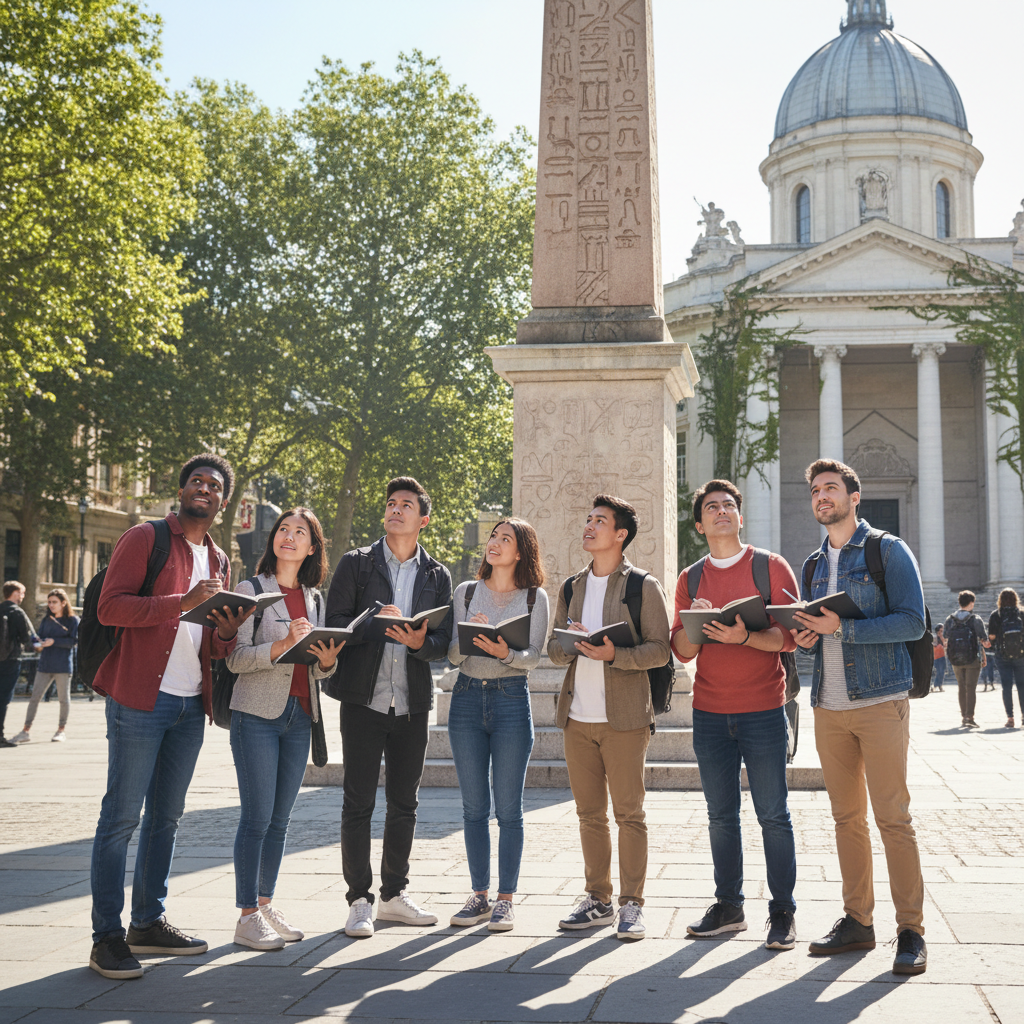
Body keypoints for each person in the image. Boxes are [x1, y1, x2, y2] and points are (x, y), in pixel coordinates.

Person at [88, 454, 252, 981]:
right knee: (120, 819)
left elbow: (216, 647)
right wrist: (181, 602)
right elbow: (110, 608)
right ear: (182, 491)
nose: (204, 489)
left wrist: (227, 630)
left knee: (167, 820)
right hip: (140, 698)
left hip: (190, 704)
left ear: (223, 501)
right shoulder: (145, 538)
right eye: (196, 481)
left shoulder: (221, 560)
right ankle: (106, 938)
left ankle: (148, 922)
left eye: (214, 485)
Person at [791, 459, 928, 975]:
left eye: (831, 488)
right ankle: (857, 921)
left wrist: (840, 629)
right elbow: (816, 631)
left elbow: (913, 622)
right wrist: (806, 635)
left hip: (880, 700)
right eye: (815, 490)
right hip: (829, 704)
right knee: (846, 819)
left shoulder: (888, 550)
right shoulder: (810, 563)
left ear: (854, 495)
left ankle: (911, 930)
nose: (821, 496)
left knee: (893, 818)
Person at [671, 479, 800, 951]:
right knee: (721, 816)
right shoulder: (691, 579)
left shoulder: (770, 567)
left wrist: (743, 637)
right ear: (700, 523)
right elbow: (681, 652)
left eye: (729, 505)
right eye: (711, 507)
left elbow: (788, 639)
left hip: (764, 711)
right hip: (708, 713)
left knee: (773, 815)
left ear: (739, 517)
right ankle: (729, 906)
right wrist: (698, 624)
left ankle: (782, 912)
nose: (721, 511)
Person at [325, 476, 453, 939]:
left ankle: (394, 895)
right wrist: (375, 625)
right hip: (363, 698)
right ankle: (359, 900)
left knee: (405, 803)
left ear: (424, 518)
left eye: (406, 505)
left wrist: (423, 642)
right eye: (390, 503)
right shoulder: (355, 565)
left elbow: (443, 641)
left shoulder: (438, 575)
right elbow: (335, 625)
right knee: (357, 802)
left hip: (412, 704)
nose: (395, 509)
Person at [548, 494, 671, 942]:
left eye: (599, 520)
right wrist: (572, 642)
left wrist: (613, 653)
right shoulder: (571, 587)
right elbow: (553, 650)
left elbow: (660, 649)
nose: (589, 526)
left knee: (629, 814)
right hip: (576, 717)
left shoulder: (642, 586)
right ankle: (597, 898)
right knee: (588, 815)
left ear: (620, 534)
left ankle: (632, 905)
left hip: (625, 719)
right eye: (587, 518)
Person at [226, 507, 343, 949]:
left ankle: (265, 901)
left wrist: (327, 661)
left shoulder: (314, 597)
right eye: (283, 530)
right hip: (256, 715)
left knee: (279, 820)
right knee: (255, 817)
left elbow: (316, 669)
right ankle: (245, 915)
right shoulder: (251, 590)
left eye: (300, 533)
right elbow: (236, 659)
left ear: (312, 547)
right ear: (273, 539)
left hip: (300, 717)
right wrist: (281, 643)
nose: (289, 537)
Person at [446, 519, 549, 933]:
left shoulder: (533, 598)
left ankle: (506, 900)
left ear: (520, 552)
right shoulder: (465, 592)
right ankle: (479, 895)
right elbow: (451, 655)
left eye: (506, 539)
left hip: (510, 700)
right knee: (473, 808)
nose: (495, 543)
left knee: (509, 809)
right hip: (466, 698)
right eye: (493, 536)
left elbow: (533, 657)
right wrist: (470, 638)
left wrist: (506, 652)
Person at [12, 588, 78, 743]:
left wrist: (54, 641)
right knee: (35, 698)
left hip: (62, 666)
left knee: (63, 699)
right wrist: (39, 645)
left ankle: (61, 730)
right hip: (45, 664)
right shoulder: (46, 620)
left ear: (63, 603)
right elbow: (39, 638)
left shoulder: (72, 620)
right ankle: (25, 731)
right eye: (49, 602)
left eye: (54, 602)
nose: (51, 605)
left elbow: (74, 642)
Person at [0, 580, 40, 747]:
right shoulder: (17, 612)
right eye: (22, 593)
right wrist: (37, 645)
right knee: (3, 698)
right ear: (15, 594)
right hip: (10, 659)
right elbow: (26, 637)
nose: (23, 596)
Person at [943, 591, 989, 729]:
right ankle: (970, 717)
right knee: (971, 688)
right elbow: (984, 641)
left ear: (959, 602)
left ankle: (963, 716)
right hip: (972, 659)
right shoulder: (975, 619)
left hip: (955, 658)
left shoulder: (950, 619)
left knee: (961, 687)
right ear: (971, 603)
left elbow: (945, 639)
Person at [988, 588, 1024, 729]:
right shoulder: (1021, 613)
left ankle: (1010, 718)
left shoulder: (996, 615)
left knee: (1006, 687)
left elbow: (991, 637)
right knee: (1022, 686)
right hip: (1021, 655)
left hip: (1002, 655)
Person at [931, 625, 946, 693]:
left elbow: (945, 645)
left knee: (942, 672)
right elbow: (933, 645)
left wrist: (942, 637)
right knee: (939, 672)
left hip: (942, 656)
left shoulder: (942, 637)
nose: (942, 632)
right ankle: (935, 686)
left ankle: (940, 685)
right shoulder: (934, 637)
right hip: (936, 657)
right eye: (941, 631)